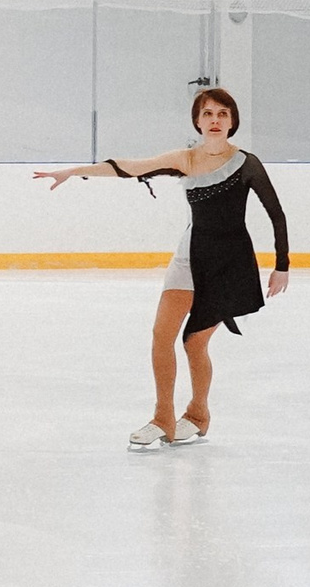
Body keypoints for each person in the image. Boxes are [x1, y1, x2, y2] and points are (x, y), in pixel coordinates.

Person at [34, 86, 291, 450]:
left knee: (194, 343)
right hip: (189, 257)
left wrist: (282, 266)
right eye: (207, 114)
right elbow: (130, 167)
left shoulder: (247, 163)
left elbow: (276, 214)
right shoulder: (185, 159)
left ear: (232, 121)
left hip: (227, 264)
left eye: (222, 114)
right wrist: (75, 171)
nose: (215, 120)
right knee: (161, 336)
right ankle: (163, 418)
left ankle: (199, 414)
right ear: (198, 121)